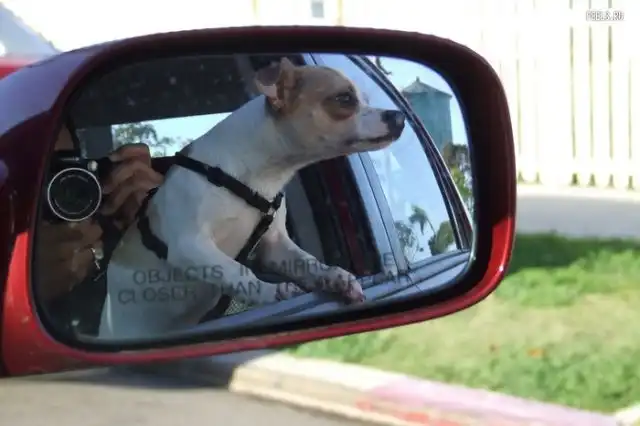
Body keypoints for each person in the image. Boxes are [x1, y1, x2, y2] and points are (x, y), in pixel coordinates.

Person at [34, 125, 164, 336]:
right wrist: (23, 284)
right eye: (27, 175)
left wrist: (160, 229)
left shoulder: (122, 243)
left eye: (58, 169)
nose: (51, 189)